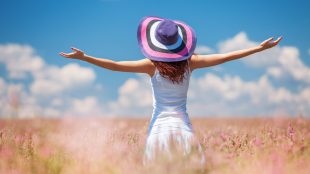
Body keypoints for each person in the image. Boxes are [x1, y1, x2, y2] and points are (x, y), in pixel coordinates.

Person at [59, 16, 282, 167]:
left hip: (158, 130)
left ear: (156, 43)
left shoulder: (151, 66)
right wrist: (258, 48)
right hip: (183, 129)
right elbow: (226, 56)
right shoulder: (190, 63)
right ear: (179, 43)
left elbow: (115, 65)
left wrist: (85, 57)